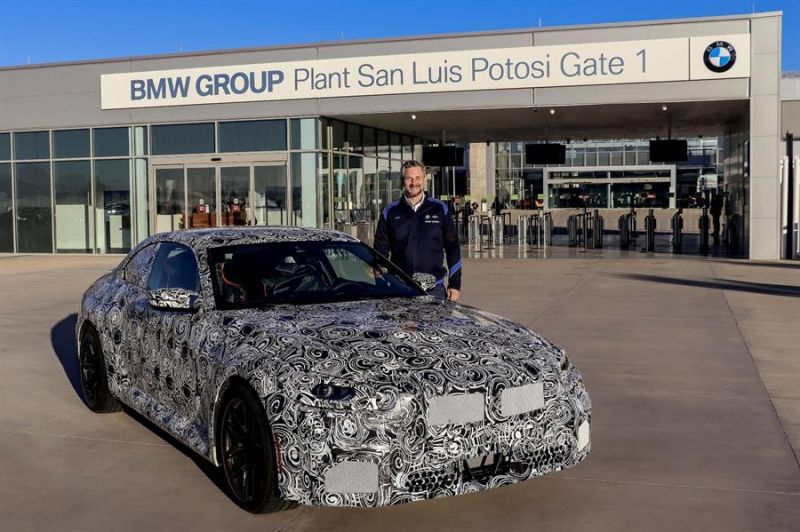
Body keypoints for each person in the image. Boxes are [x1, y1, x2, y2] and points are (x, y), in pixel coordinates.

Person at [374, 160, 461, 301]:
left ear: (425, 179)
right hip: (400, 290)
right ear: (402, 181)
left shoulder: (440, 209)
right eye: (409, 178)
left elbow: (453, 248)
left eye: (418, 178)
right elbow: (380, 252)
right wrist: (381, 282)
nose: (414, 183)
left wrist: (455, 284)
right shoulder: (389, 212)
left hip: (434, 290)